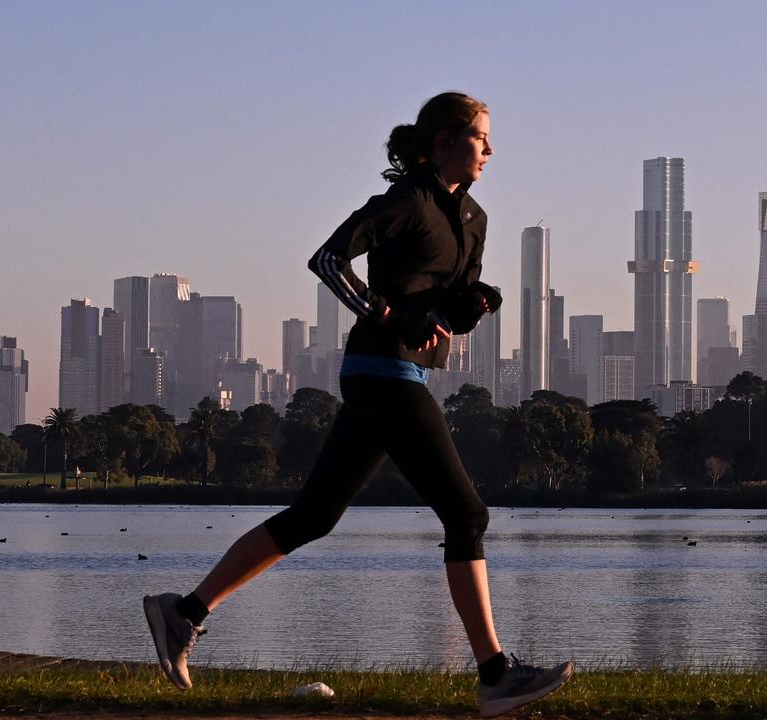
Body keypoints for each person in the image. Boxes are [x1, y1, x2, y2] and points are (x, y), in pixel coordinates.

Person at [143, 91, 573, 718]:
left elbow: (442, 307)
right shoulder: (403, 202)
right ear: (445, 142)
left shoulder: (473, 219)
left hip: (408, 375)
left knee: (314, 515)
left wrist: (470, 306)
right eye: (481, 137)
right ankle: (494, 674)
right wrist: (388, 314)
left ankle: (182, 614)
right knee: (466, 514)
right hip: (379, 372)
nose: (490, 149)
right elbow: (327, 260)